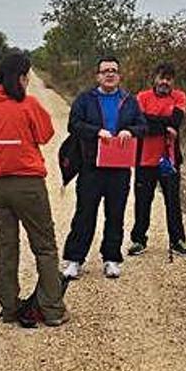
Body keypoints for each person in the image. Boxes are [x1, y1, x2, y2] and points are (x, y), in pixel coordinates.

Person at [0, 53, 68, 327]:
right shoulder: (28, 103)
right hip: (29, 185)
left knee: (5, 250)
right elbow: (46, 135)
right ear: (23, 77)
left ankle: (10, 308)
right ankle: (51, 309)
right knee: (45, 247)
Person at [61, 56, 147, 280]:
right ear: (98, 75)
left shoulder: (129, 100)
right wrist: (96, 131)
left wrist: (130, 130)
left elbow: (142, 125)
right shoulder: (85, 99)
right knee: (84, 213)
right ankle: (75, 259)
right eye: (105, 70)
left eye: (114, 70)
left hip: (119, 168)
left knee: (115, 214)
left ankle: (111, 258)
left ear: (119, 75)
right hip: (91, 166)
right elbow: (74, 124)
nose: (110, 74)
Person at [128, 63, 186, 258]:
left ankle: (177, 241)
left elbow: (177, 121)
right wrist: (165, 126)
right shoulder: (142, 97)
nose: (165, 82)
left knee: (173, 201)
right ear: (154, 78)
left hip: (170, 159)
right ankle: (138, 240)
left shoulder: (180, 96)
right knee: (142, 201)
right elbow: (141, 124)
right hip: (144, 159)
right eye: (161, 77)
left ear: (173, 81)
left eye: (169, 78)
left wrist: (154, 121)